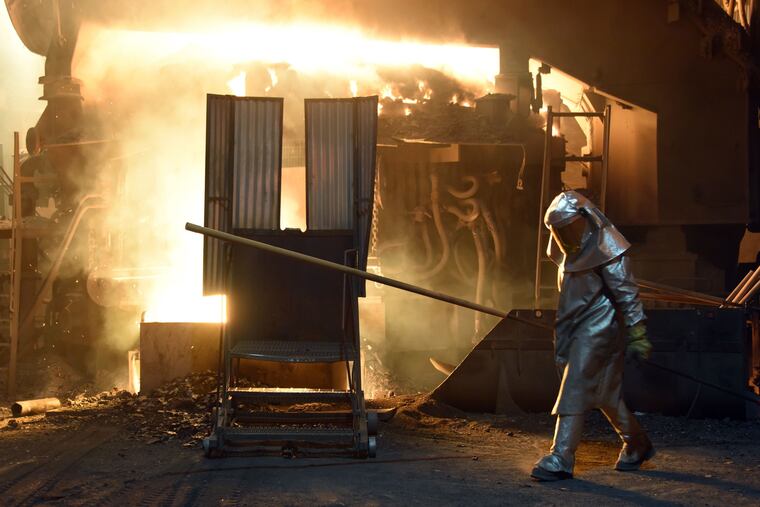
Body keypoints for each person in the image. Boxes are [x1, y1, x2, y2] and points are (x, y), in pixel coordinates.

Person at [530, 190, 655, 482]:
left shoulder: (608, 249)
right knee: (604, 394)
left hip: (599, 328)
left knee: (574, 385)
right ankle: (637, 444)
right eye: (560, 231)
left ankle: (561, 456)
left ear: (587, 221)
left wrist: (637, 332)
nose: (567, 235)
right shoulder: (566, 253)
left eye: (571, 228)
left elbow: (626, 293)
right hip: (572, 326)